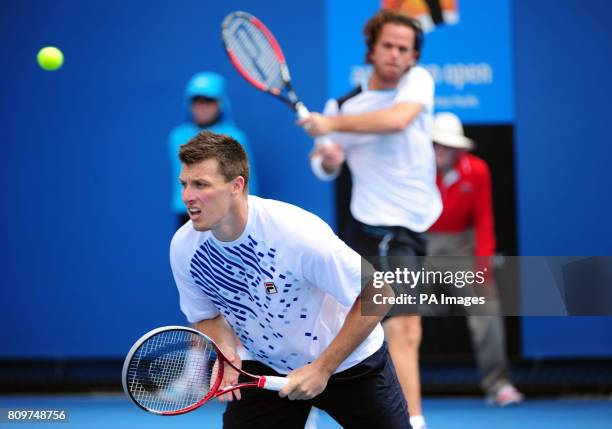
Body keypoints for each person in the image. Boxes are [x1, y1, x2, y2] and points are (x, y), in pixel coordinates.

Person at [169, 130, 411, 429]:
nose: (187, 196)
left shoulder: (296, 234)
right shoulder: (184, 248)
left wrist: (322, 368)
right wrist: (226, 350)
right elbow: (205, 315)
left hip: (349, 362)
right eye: (184, 184)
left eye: (200, 185)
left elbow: (379, 293)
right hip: (265, 366)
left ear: (236, 185)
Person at [302, 10, 441, 429]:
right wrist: (327, 156)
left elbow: (397, 120)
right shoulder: (343, 105)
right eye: (388, 46)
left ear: (413, 55)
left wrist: (330, 125)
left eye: (405, 48)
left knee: (354, 328)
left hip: (412, 229)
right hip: (378, 229)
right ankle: (413, 423)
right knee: (404, 329)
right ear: (372, 49)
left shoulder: (417, 83)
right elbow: (322, 163)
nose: (397, 55)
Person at [428, 112, 524, 406]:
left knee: (487, 307)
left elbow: (484, 222)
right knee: (386, 310)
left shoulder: (478, 171)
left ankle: (498, 384)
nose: (440, 151)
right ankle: (382, 389)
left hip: (461, 249)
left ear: (460, 149)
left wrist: (483, 266)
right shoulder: (412, 169)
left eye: (447, 145)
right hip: (417, 247)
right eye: (435, 144)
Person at [169, 71, 258, 228]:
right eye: (197, 100)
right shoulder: (176, 136)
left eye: (208, 100)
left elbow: (248, 182)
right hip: (187, 214)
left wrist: (247, 211)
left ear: (221, 103)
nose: (202, 106)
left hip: (226, 213)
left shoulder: (236, 137)